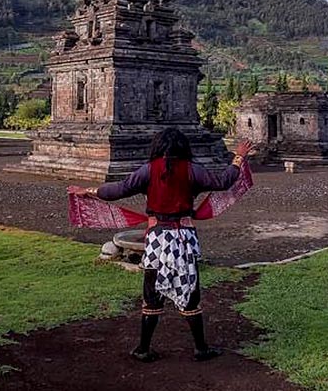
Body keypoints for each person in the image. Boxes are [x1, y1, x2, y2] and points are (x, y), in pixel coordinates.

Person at [72, 128, 253, 363]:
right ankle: (200, 348)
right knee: (189, 291)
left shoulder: (149, 170)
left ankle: (143, 348)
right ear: (183, 147)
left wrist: (87, 191)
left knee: (152, 293)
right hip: (183, 239)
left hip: (157, 238)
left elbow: (119, 190)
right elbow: (224, 181)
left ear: (157, 147)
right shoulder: (191, 170)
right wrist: (239, 157)